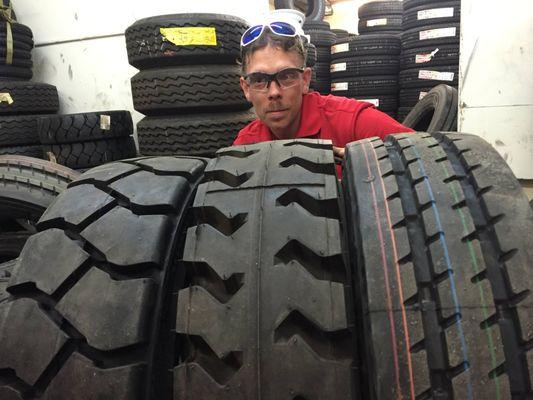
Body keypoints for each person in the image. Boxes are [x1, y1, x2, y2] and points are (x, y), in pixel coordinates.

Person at [233, 20, 414, 160]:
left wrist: (365, 162)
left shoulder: (352, 122)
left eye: (286, 76)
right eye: (258, 80)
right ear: (246, 88)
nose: (274, 92)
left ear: (305, 80)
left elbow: (431, 158)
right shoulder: (245, 145)